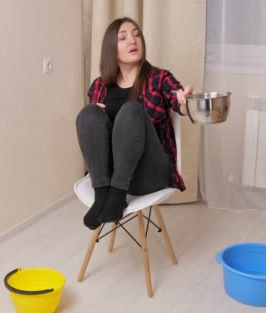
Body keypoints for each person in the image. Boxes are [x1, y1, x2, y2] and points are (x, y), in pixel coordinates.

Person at [76, 17, 194, 230]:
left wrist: (185, 102)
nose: (133, 40)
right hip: (111, 174)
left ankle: (117, 195)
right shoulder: (99, 86)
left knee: (131, 110)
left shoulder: (160, 78)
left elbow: (179, 103)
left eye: (136, 34)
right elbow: (95, 135)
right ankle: (102, 195)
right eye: (123, 37)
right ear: (111, 49)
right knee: (88, 113)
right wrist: (94, 114)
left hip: (149, 173)